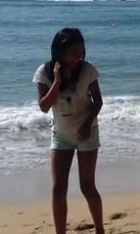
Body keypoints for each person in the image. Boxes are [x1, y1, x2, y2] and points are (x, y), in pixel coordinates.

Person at [33, 28, 104, 234]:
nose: (78, 57)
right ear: (59, 50)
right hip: (61, 136)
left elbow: (98, 101)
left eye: (81, 53)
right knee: (58, 189)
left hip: (87, 134)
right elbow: (44, 107)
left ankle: (100, 229)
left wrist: (87, 123)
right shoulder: (44, 73)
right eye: (73, 53)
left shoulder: (87, 70)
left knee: (87, 186)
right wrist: (56, 81)